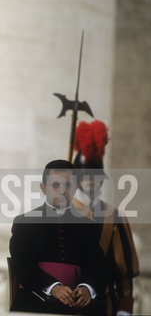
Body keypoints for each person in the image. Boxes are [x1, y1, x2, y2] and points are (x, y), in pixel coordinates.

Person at [9, 159, 106, 315]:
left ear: (75, 188)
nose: (62, 191)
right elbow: (22, 268)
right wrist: (54, 287)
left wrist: (86, 288)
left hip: (77, 305)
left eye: (67, 185)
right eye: (55, 185)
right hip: (34, 301)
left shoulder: (88, 225)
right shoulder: (24, 223)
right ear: (44, 188)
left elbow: (97, 267)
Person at [72, 120, 139, 316]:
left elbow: (124, 269)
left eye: (95, 176)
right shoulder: (62, 213)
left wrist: (125, 306)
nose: (91, 181)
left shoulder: (114, 216)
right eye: (86, 177)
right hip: (68, 302)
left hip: (104, 305)